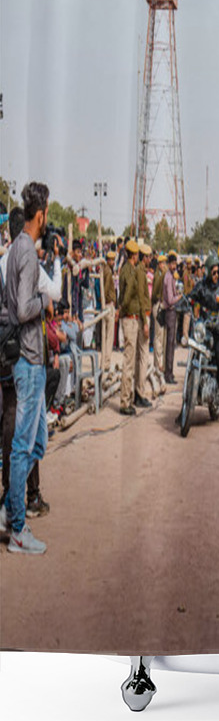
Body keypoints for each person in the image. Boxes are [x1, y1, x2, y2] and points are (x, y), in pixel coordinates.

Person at [0, 182, 53, 554]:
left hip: (26, 358)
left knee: (37, 441)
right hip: (29, 358)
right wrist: (42, 300)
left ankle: (9, 506)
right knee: (23, 446)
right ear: (41, 215)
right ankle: (17, 528)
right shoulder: (29, 254)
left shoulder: (15, 247)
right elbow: (22, 309)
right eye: (47, 213)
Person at [187, 252, 219, 423]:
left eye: (218, 272)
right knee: (193, 355)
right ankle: (185, 406)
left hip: (216, 332)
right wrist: (185, 301)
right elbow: (191, 297)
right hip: (203, 331)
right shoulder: (201, 286)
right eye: (214, 272)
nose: (217, 275)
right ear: (208, 271)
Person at [117, 240, 141, 416]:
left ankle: (128, 397)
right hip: (129, 319)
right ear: (134, 255)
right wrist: (122, 310)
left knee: (130, 360)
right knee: (128, 362)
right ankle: (125, 401)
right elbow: (126, 297)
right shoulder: (129, 271)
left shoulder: (126, 269)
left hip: (130, 318)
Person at [134, 243, 153, 408]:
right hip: (143, 318)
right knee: (143, 356)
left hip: (143, 317)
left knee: (140, 357)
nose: (150, 260)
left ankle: (137, 391)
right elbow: (141, 298)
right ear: (144, 257)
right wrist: (145, 323)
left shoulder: (141, 271)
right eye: (149, 257)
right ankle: (139, 392)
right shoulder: (140, 272)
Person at [162, 253, 180, 385]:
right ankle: (168, 373)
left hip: (172, 312)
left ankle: (170, 372)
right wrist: (179, 297)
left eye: (175, 264)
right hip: (170, 311)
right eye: (173, 264)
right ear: (169, 264)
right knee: (170, 344)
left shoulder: (172, 276)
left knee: (171, 343)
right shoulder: (168, 277)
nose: (174, 266)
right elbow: (170, 299)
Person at [100, 248, 117, 377]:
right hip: (108, 304)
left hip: (105, 304)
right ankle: (106, 362)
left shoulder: (104, 270)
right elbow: (105, 289)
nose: (113, 262)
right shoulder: (108, 272)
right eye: (112, 260)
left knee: (106, 335)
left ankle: (104, 361)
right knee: (109, 336)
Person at [151, 253, 167, 377]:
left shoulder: (163, 275)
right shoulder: (158, 276)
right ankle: (157, 364)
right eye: (163, 263)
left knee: (162, 337)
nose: (164, 265)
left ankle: (160, 363)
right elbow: (156, 292)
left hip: (162, 305)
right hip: (158, 305)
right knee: (158, 336)